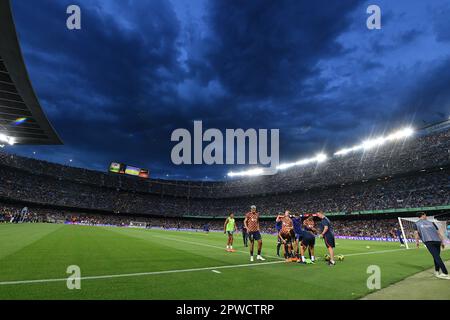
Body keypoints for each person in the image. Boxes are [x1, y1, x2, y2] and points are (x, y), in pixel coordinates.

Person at [413, 212, 449, 279]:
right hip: (437, 241)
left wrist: (417, 242)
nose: (426, 216)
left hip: (429, 241)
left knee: (437, 257)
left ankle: (445, 273)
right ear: (422, 215)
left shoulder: (416, 224)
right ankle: (437, 271)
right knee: (436, 256)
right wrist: (442, 242)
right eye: (425, 215)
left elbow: (416, 234)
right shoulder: (431, 223)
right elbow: (438, 233)